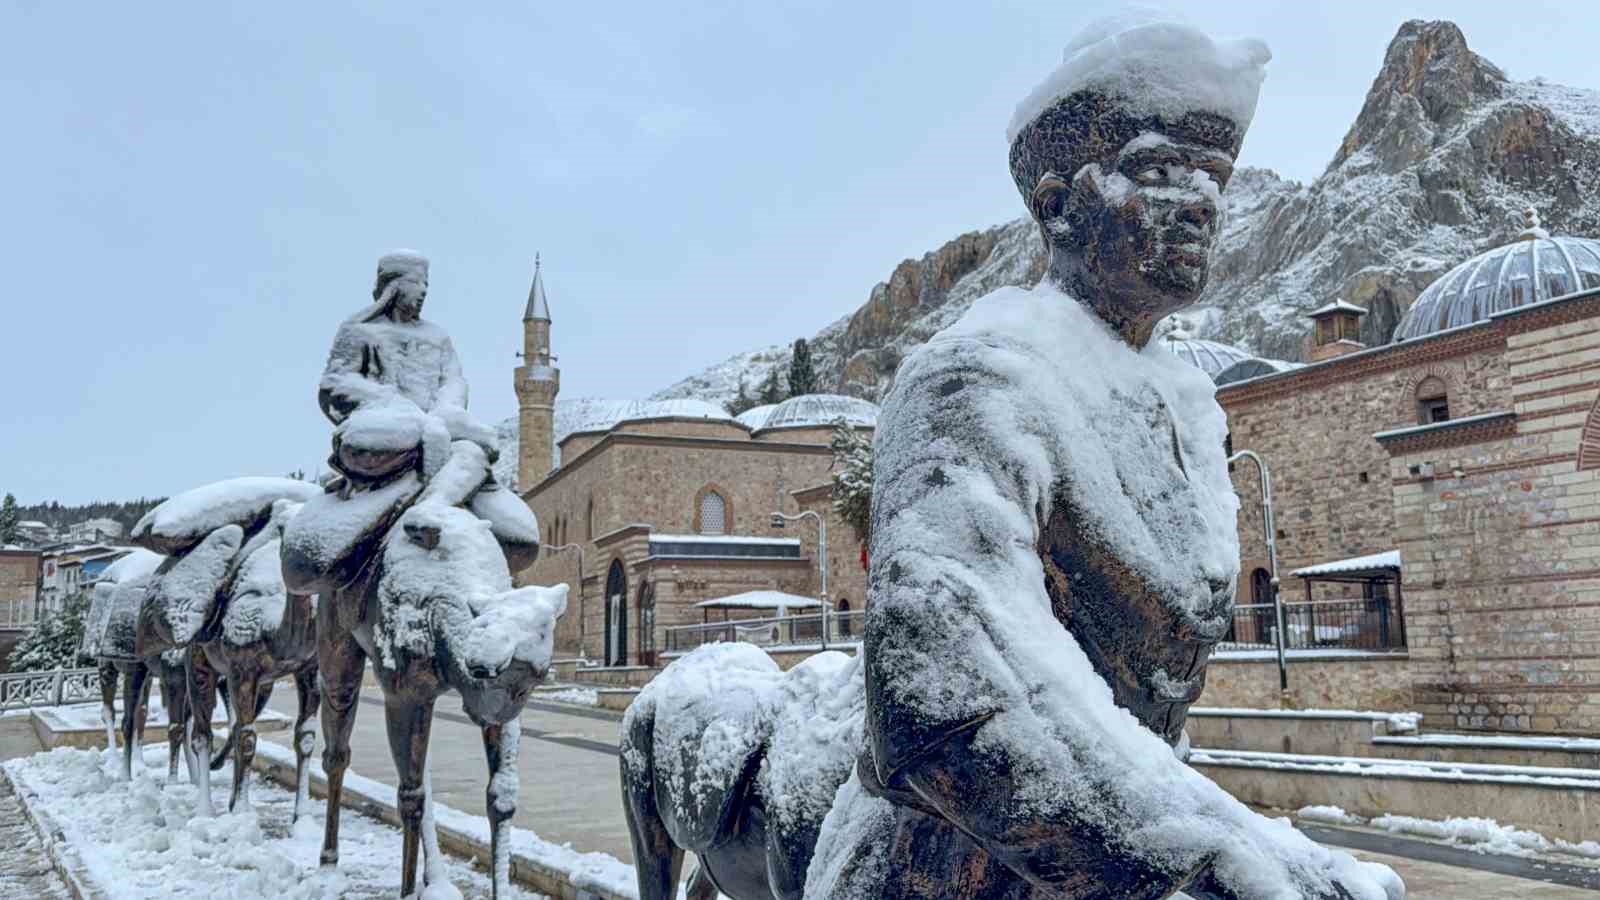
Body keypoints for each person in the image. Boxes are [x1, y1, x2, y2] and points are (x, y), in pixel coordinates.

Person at [806, 14, 1403, 900]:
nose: (1201, 201)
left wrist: (1246, 848)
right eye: (1161, 172)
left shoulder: (1189, 410)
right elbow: (945, 697)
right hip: (948, 874)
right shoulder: (977, 381)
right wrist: (1216, 858)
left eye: (1215, 179)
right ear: (1056, 204)